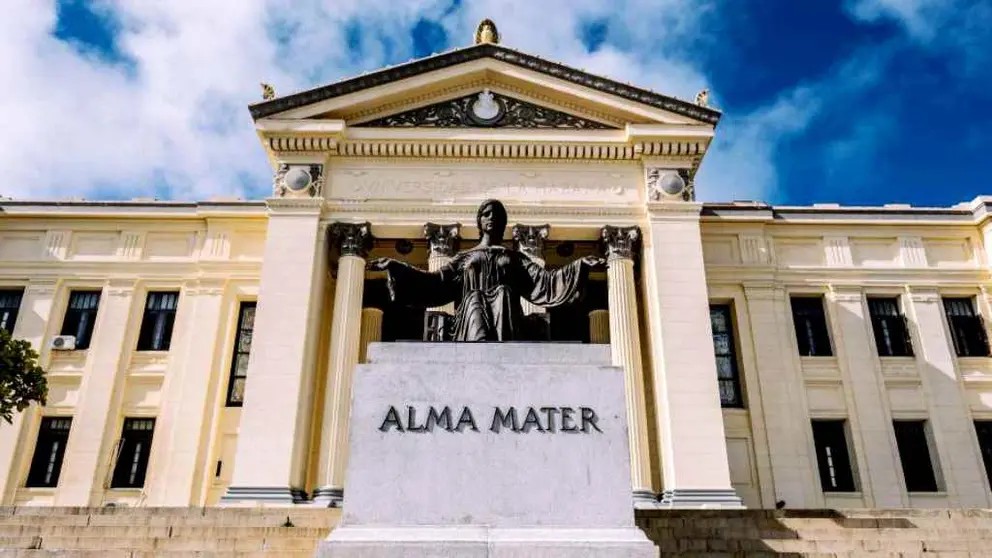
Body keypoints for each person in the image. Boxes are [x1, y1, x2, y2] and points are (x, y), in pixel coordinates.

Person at [368, 199, 605, 342]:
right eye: (486, 214)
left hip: (508, 320)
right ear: (480, 221)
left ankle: (500, 353)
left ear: (503, 222)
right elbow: (436, 282)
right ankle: (479, 350)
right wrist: (396, 268)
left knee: (502, 292)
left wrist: (580, 265)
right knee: (474, 299)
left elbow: (544, 282)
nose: (491, 218)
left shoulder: (515, 258)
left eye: (496, 214)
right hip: (468, 321)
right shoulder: (464, 258)